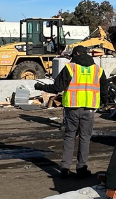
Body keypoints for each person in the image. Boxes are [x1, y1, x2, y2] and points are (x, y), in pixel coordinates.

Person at [35, 45, 107, 179]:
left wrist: (40, 86)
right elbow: (104, 89)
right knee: (85, 138)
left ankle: (65, 168)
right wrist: (104, 102)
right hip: (89, 109)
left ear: (76, 54)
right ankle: (81, 168)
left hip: (72, 108)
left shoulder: (70, 67)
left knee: (70, 136)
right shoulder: (98, 69)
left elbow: (57, 87)